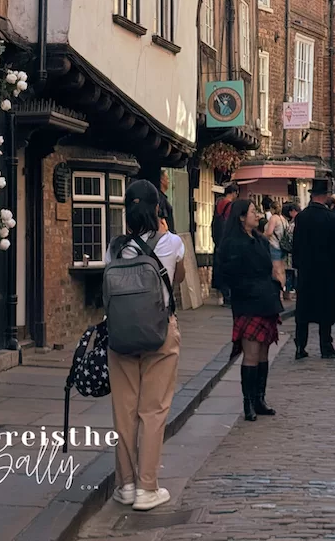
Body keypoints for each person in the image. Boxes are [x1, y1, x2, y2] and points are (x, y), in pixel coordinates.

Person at [106, 180, 185, 511]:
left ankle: (125, 485)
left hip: (121, 335)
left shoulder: (114, 248)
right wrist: (164, 234)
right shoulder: (172, 242)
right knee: (153, 410)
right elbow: (178, 279)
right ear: (156, 209)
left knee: (124, 411)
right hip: (159, 333)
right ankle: (147, 488)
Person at [218, 199, 283, 422]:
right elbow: (228, 275)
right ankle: (248, 403)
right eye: (253, 212)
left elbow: (268, 267)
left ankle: (259, 399)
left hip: (266, 301)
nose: (257, 215)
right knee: (251, 353)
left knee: (264, 352)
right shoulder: (233, 244)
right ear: (241, 217)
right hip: (247, 303)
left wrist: (275, 284)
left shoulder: (261, 240)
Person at [292, 178, 335, 359]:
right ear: (325, 196)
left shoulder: (301, 217)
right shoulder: (332, 218)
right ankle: (325, 346)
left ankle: (300, 346)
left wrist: (298, 265)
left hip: (306, 270)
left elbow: (296, 245)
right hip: (326, 270)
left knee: (303, 308)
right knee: (325, 308)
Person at [211, 183, 239, 306]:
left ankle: (221, 295)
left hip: (218, 240)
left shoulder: (219, 203)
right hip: (227, 240)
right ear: (233, 193)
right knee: (228, 268)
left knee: (219, 267)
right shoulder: (230, 206)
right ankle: (228, 297)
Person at [264, 200, 290, 293]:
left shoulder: (273, 218)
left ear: (272, 209)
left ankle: (278, 292)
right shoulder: (283, 219)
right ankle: (283, 289)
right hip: (283, 247)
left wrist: (262, 237)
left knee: (276, 271)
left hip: (274, 246)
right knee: (282, 270)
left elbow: (269, 232)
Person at [282, 202, 300, 297]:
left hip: (290, 252)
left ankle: (287, 293)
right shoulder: (298, 222)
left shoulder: (292, 224)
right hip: (296, 252)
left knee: (289, 273)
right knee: (295, 273)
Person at [157, 168, 176, 233]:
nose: (168, 181)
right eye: (167, 179)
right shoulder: (160, 198)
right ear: (162, 180)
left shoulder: (162, 198)